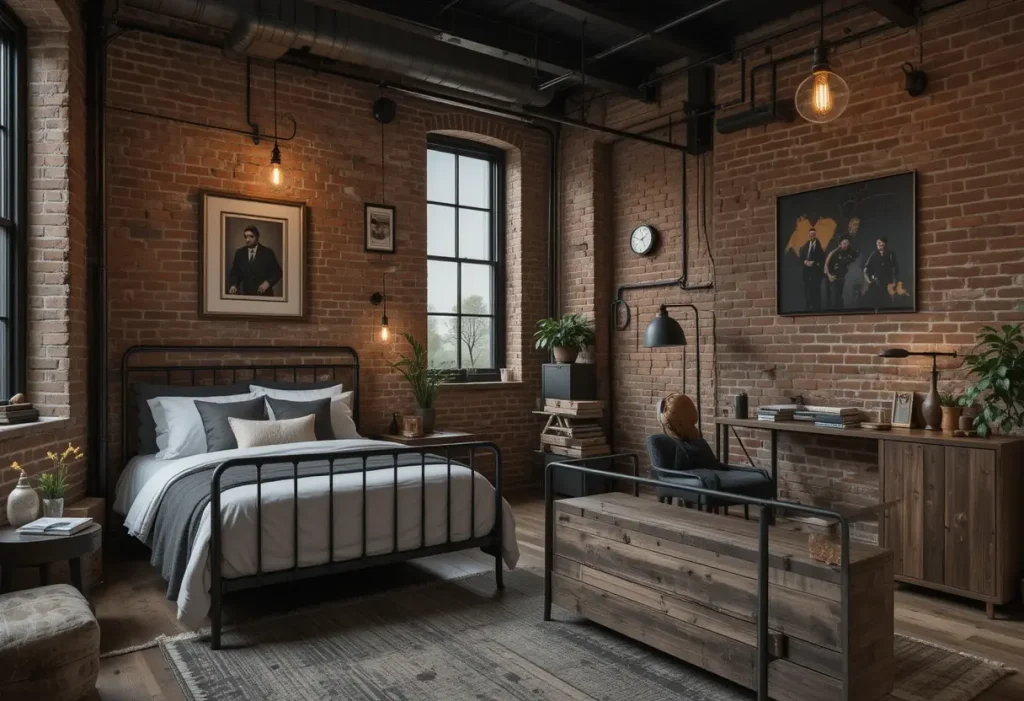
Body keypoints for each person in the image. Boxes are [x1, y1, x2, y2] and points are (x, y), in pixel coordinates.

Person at [227, 225, 282, 296]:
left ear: (257, 237)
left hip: (265, 296)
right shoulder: (240, 253)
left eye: (251, 236)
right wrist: (233, 285)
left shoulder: (267, 252)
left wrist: (267, 283)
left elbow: (277, 272)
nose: (247, 240)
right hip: (246, 295)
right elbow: (235, 272)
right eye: (246, 237)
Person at [863, 236, 900, 308]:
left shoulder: (890, 253)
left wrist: (894, 282)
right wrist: (870, 280)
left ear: (885, 244)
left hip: (889, 284)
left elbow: (895, 268)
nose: (880, 244)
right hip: (877, 283)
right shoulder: (874, 254)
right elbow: (866, 269)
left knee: (889, 304)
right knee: (876, 303)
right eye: (878, 243)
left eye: (881, 243)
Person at [824, 236, 858, 309]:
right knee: (835, 300)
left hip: (846, 281)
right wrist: (829, 276)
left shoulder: (852, 252)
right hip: (834, 280)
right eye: (844, 243)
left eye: (847, 243)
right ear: (840, 245)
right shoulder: (833, 254)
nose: (846, 245)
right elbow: (826, 266)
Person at [798, 227, 825, 311]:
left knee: (815, 289)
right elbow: (801, 257)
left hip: (815, 271)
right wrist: (804, 261)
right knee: (807, 289)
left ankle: (816, 307)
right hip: (806, 271)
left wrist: (814, 262)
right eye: (810, 235)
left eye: (813, 234)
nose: (812, 236)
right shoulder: (805, 245)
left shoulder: (819, 246)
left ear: (815, 234)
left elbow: (822, 258)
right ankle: (808, 306)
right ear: (809, 235)